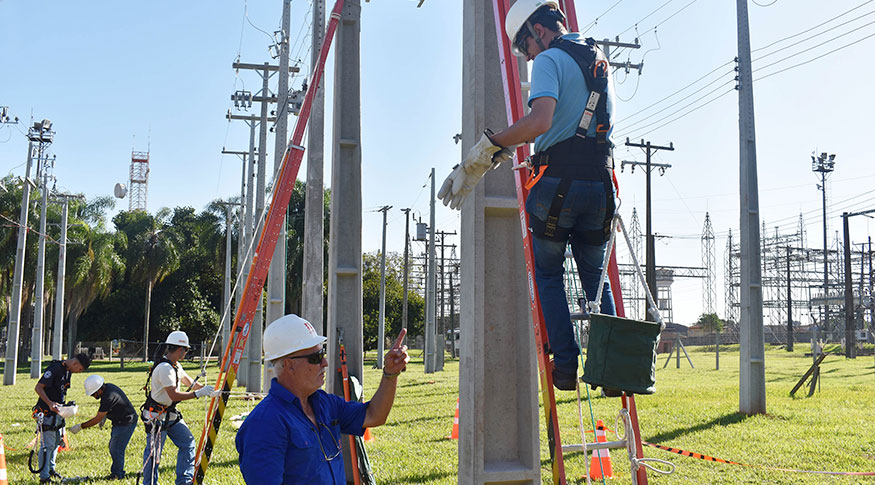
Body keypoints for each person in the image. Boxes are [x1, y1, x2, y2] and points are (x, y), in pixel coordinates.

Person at [437, 0, 617, 391]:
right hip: (601, 185)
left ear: (538, 30)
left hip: (559, 186)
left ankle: (566, 367)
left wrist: (487, 148)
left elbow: (540, 121)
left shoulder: (550, 59)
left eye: (526, 46)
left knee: (549, 273)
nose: (529, 56)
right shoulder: (597, 58)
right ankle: (613, 370)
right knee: (595, 279)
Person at [236, 314, 410, 484]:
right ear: (289, 365)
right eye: (316, 358)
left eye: (323, 353)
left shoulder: (325, 403)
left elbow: (374, 416)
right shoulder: (264, 424)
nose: (325, 362)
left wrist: (390, 374)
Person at [140, 331, 216, 485]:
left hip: (170, 415)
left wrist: (211, 390)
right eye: (186, 350)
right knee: (154, 455)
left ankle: (184, 481)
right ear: (181, 349)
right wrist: (199, 394)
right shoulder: (165, 369)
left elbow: (190, 382)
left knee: (188, 443)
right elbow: (174, 395)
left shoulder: (175, 366)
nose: (185, 353)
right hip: (156, 417)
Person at [33, 353, 91, 483]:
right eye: (80, 369)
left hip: (58, 413)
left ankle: (51, 469)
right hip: (46, 412)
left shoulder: (67, 371)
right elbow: (38, 387)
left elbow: (60, 391)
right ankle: (44, 477)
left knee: (56, 442)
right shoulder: (55, 368)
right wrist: (49, 403)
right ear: (75, 363)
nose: (79, 372)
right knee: (47, 445)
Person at [68, 375, 138, 479]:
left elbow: (97, 419)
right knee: (114, 447)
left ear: (98, 390)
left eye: (93, 394)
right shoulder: (108, 388)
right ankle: (116, 472)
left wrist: (80, 426)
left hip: (126, 422)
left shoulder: (108, 396)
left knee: (116, 449)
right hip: (119, 421)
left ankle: (117, 474)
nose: (92, 396)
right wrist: (106, 415)